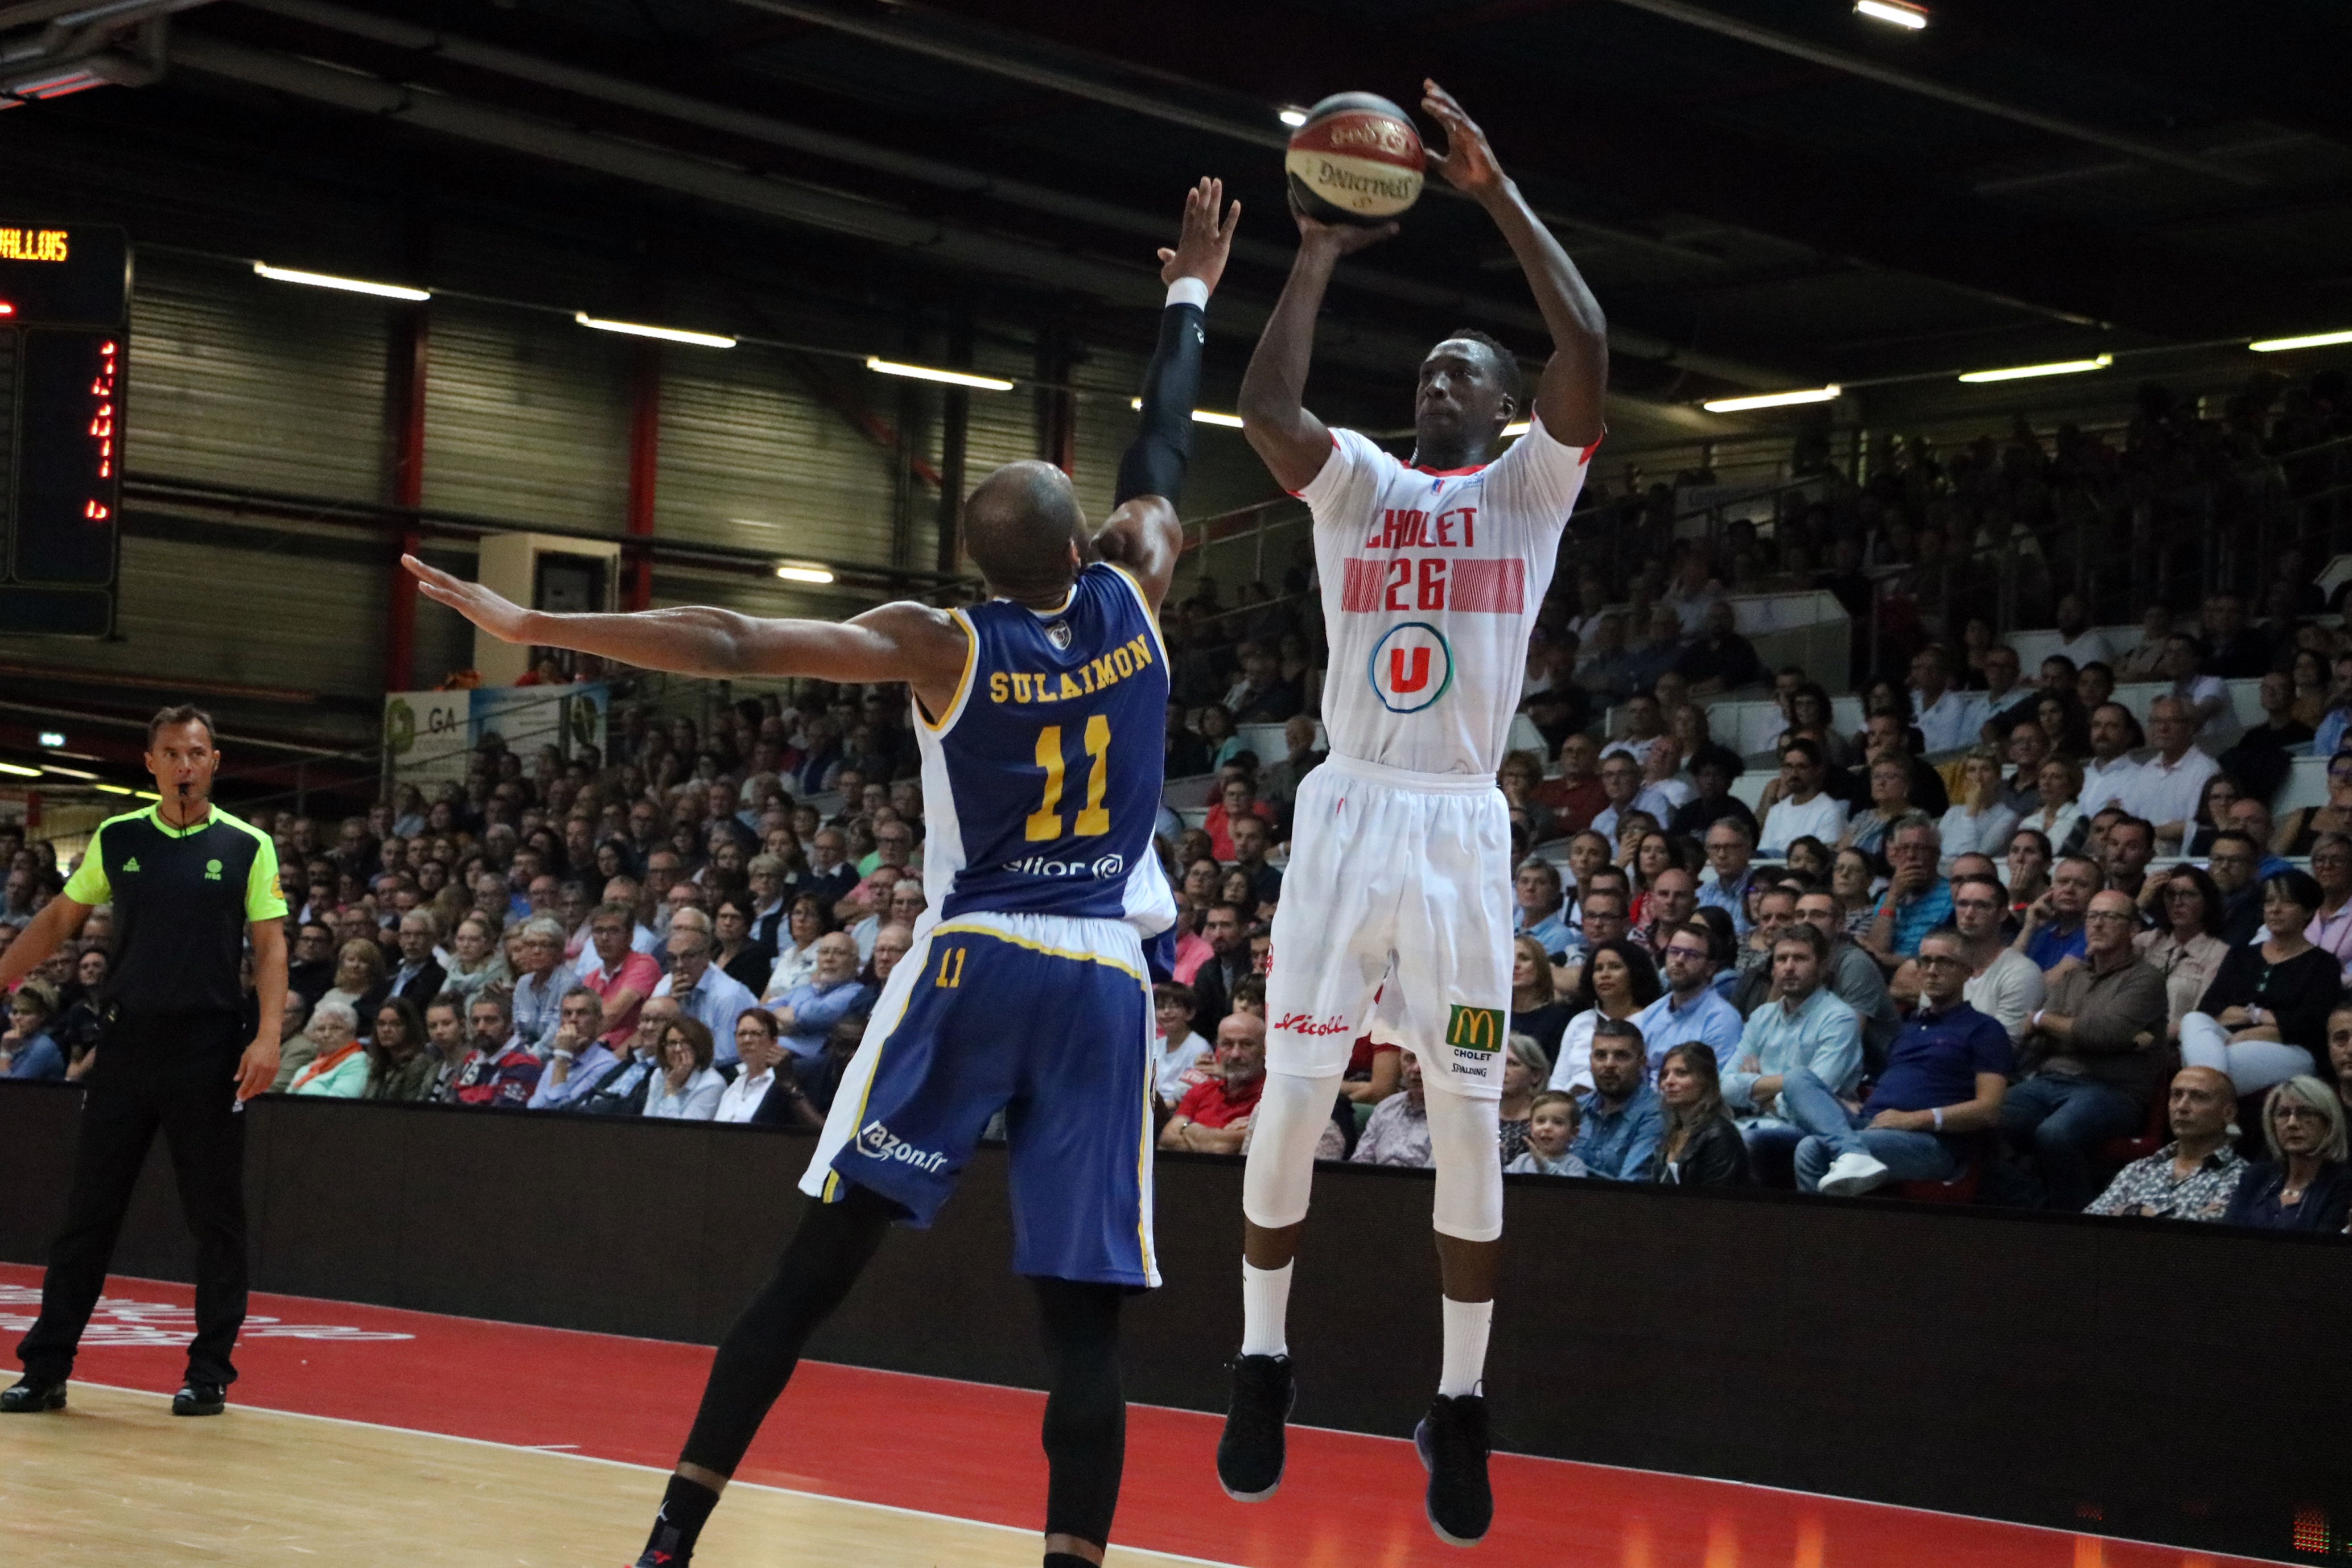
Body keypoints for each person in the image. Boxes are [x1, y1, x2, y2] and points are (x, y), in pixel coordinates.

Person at [413, 176, 1224, 1568]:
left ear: (976, 562)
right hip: (1105, 979)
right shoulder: (1139, 583)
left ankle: (673, 1531)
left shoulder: (941, 640)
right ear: (1085, 540)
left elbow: (726, 640)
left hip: (980, 961)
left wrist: (533, 615)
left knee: (812, 1271)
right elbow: (1162, 440)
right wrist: (1188, 293)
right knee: (1083, 1324)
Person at [1223, 85, 1611, 1545]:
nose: (1433, 385)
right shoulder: (1361, 484)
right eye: (1427, 371)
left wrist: (1497, 191)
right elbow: (1266, 410)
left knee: (1466, 1122)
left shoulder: (1529, 489)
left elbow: (1588, 347)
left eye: (1463, 373)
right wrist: (1316, 252)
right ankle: (1261, 1357)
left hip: (1455, 828)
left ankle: (1459, 1404)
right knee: (1296, 1094)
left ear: (1506, 409)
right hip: (1343, 814)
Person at [1, 705, 288, 1421]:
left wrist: (269, 1034)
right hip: (126, 1047)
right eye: (171, 752)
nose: (185, 763)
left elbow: (271, 945)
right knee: (87, 1214)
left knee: (216, 1219)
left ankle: (209, 1372)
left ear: (214, 761)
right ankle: (45, 1370)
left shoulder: (248, 844)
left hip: (211, 1050)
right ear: (151, 761)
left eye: (197, 751)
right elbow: (60, 920)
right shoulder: (118, 836)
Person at [1785, 927, 2012, 1196]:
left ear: (1968, 971)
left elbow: (1989, 1110)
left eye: (1944, 962)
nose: (1931, 970)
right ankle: (1853, 1153)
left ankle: (1823, 1226)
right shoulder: (1909, 1027)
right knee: (1797, 1079)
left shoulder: (1984, 1029)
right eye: (1925, 961)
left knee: (1811, 1149)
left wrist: (1913, 1120)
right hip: (1872, 1122)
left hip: (1931, 1142)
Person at [2001, 891, 2169, 1211]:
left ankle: (2077, 1221)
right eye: (2093, 916)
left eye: (2110, 917)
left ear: (2133, 929)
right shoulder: (2073, 976)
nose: (2098, 924)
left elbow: (2103, 1034)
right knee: (1987, 1116)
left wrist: (2044, 1019)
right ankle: (2027, 1208)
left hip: (2112, 1089)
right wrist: (2108, 1038)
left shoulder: (2146, 979)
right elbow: (2037, 1039)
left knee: (2056, 1133)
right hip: (2050, 1078)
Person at [2182, 869, 2340, 1096]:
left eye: (2287, 902)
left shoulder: (2323, 964)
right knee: (2193, 1020)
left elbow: (2311, 1024)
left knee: (2215, 1062)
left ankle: (2211, 1102)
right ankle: (2216, 1102)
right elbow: (2210, 1009)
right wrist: (2262, 1018)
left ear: (2308, 911)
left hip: (2291, 1049)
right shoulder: (2241, 955)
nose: (2275, 909)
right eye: (2269, 902)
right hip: (2230, 1039)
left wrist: (2251, 1023)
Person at [1724, 923, 1861, 1180]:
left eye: (1800, 958)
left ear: (1822, 968)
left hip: (1811, 1131)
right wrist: (1791, 1087)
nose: (1789, 967)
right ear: (1773, 967)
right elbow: (1725, 1086)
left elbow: (1813, 1099)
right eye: (1782, 959)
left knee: (1743, 1143)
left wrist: (1754, 1089)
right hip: (1755, 1122)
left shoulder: (1839, 1018)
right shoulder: (1762, 1016)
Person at [2084, 1066, 2248, 1222]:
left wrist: (2135, 1212)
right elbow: (2090, 1223)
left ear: (2228, 1113)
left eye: (2199, 1097)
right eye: (2176, 1095)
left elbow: (2209, 1232)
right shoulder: (2140, 1169)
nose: (2182, 1107)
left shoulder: (2243, 1176)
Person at [2221, 1075, 2352, 1232]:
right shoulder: (2256, 1177)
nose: (2292, 1124)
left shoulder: (2343, 1184)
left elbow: (2322, 1250)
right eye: (2283, 1114)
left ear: (2329, 1122)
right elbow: (2226, 1236)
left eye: (2305, 1113)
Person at [1544, 938, 1659, 1095]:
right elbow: (1559, 1080)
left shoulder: (1653, 1020)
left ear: (1635, 972)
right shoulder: (1580, 1021)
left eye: (1615, 967)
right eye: (1598, 969)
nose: (1604, 975)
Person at [1632, 922, 1742, 1075]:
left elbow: (1717, 1085)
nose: (1679, 960)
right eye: (1674, 952)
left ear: (1710, 968)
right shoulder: (1652, 1013)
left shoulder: (1722, 1019)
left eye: (1692, 955)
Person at [2136, 865, 2232, 1039]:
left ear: (2207, 901)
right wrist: (2140, 904)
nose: (2178, 902)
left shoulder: (2220, 953)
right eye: (2170, 895)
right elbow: (2108, 953)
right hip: (2127, 1038)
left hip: (2180, 1045)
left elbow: (2203, 1017)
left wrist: (2152, 1036)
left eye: (2188, 895)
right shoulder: (2145, 941)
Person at [2121, 695, 2219, 853]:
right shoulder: (2146, 770)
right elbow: (2129, 819)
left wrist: (2151, 833)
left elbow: (2197, 828)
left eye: (2172, 721)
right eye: (2156, 722)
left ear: (2190, 727)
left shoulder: (2206, 770)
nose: (2162, 728)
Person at [1952, 873, 2043, 1042]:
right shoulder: (1941, 965)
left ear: (2002, 914)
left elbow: (2001, 1046)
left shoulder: (2022, 973)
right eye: (1962, 904)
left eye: (1982, 906)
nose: (1969, 914)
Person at [1645, 1043, 1752, 1185]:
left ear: (1706, 1080)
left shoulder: (1720, 1136)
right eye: (1664, 1075)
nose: (1669, 1082)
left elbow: (1716, 1203)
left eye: (1681, 1073)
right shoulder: (1670, 1132)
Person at [1163, 1012, 1268, 1155]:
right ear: (1218, 1048)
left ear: (1265, 1049)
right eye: (1227, 1044)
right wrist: (1219, 1138)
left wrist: (1188, 1128)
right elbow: (1167, 1140)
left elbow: (1221, 1147)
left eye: (1246, 1044)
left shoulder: (1271, 1100)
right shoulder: (1200, 1091)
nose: (1235, 1054)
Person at [1571, 1018, 1661, 1180]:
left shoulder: (1656, 1113)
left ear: (1642, 1063)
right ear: (1590, 1060)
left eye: (1621, 1056)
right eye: (1600, 1055)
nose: (1609, 1064)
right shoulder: (1575, 1108)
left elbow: (1629, 1187)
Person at [575, 900, 661, 1051]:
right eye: (598, 931)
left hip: (633, 1052)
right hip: (598, 1050)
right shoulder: (592, 978)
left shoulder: (644, 965)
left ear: (630, 937)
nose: (604, 938)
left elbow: (613, 1013)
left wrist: (579, 1042)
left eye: (614, 931)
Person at [526, 988, 618, 1111]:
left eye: (582, 1013)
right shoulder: (554, 1063)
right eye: (567, 1013)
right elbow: (534, 1107)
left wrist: (563, 1058)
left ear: (599, 1021)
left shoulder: (607, 1065)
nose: (573, 1019)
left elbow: (564, 1113)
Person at [1757, 740, 1850, 857]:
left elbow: (1821, 859)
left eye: (1801, 767)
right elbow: (1764, 855)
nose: (1793, 774)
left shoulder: (1830, 811)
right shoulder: (1776, 811)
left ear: (1817, 770)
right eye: (1788, 767)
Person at [2016, 855, 2102, 973]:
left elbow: (2053, 982)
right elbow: (2003, 972)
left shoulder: (2095, 935)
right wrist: (2029, 928)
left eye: (2081, 884)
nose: (2069, 890)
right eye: (2063, 882)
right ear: (2051, 890)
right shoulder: (2040, 933)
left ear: (2097, 894)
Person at [1938, 749, 2018, 875]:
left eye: (1985, 770)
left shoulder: (2007, 817)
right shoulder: (1953, 813)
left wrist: (1971, 813)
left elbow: (1972, 856)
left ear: (1998, 777)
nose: (1978, 777)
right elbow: (1940, 850)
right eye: (1972, 770)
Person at [643, 1016, 727, 1121]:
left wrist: (670, 1090)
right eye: (672, 1043)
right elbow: (647, 1120)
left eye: (685, 1043)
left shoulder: (712, 1084)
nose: (678, 1049)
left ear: (699, 1047)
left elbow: (683, 1133)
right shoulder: (659, 1075)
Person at [363, 995, 438, 1102]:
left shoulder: (419, 1063)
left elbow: (408, 1109)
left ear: (409, 1028)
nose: (386, 1030)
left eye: (395, 1024)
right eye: (381, 1024)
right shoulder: (379, 1063)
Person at [287, 998, 368, 1096]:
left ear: (352, 1032)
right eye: (321, 1029)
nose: (327, 1034)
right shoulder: (307, 1069)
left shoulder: (358, 1062)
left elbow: (340, 1103)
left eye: (336, 1028)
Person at [1495, 1034, 1551, 1166]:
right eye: (1498, 1063)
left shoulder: (1545, 1123)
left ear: (1536, 1076)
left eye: (1513, 1064)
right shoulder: (1481, 1116)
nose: (1503, 1070)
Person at [1504, 1091, 1586, 1177]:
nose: (1547, 1128)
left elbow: (1567, 1189)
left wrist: (1544, 1165)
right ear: (1531, 1128)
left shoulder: (1574, 1166)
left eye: (1558, 1123)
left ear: (1573, 1133)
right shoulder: (1522, 1161)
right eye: (1541, 1121)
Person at [2, 980, 64, 1081]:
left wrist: (5, 1054)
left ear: (42, 1016)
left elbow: (11, 1089)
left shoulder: (44, 1047)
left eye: (26, 1012)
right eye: (15, 1012)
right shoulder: (16, 1041)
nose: (18, 1018)